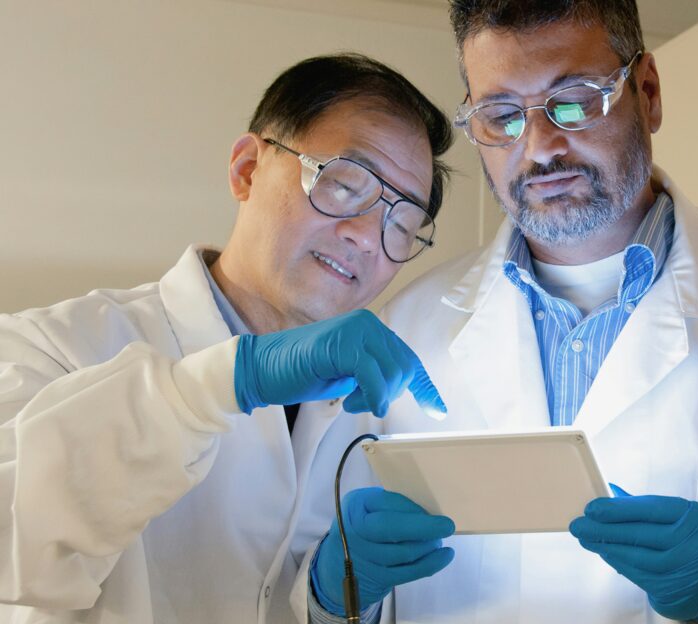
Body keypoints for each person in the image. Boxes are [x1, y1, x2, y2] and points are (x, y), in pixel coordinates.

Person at [314, 1, 698, 622]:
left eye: (576, 99)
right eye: (501, 116)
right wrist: (333, 595)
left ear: (648, 93)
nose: (541, 148)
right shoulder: (403, 330)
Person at [0, 53, 453, 623]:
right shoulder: (53, 346)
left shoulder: (375, 417)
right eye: (344, 184)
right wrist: (215, 387)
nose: (366, 236)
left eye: (402, 225)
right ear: (246, 169)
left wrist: (326, 600)